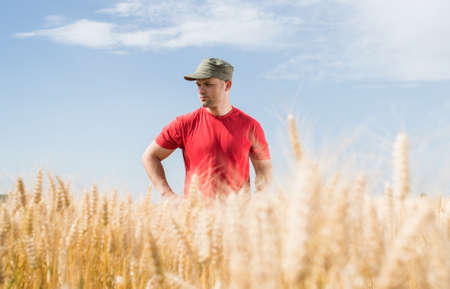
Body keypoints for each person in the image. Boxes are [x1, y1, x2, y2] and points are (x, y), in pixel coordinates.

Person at [142, 58, 272, 199]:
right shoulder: (184, 124)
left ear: (227, 86)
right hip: (195, 217)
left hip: (236, 218)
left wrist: (257, 206)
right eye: (199, 85)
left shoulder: (250, 126)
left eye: (208, 84)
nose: (201, 91)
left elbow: (264, 173)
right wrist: (168, 195)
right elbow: (149, 156)